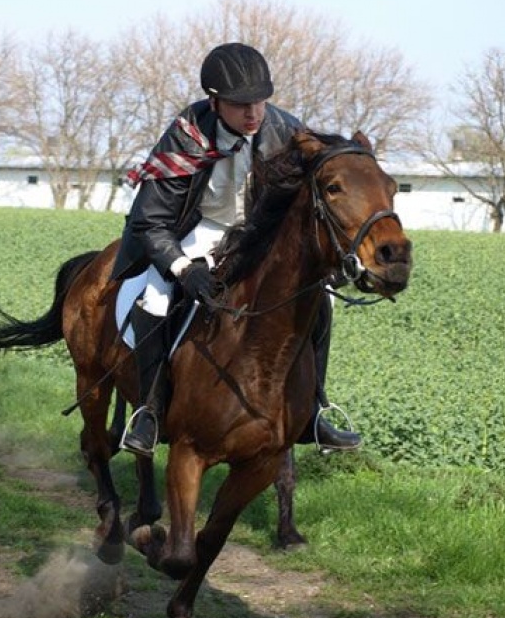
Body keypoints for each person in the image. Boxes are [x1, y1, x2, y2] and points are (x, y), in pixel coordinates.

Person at [111, 42, 361, 458]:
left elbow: (320, 186)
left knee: (322, 297)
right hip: (198, 229)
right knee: (156, 295)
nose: (254, 113)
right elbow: (150, 221)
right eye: (241, 105)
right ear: (214, 102)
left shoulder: (286, 131)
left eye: (260, 102)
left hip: (259, 234)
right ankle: (149, 411)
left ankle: (316, 410)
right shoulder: (185, 135)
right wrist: (183, 267)